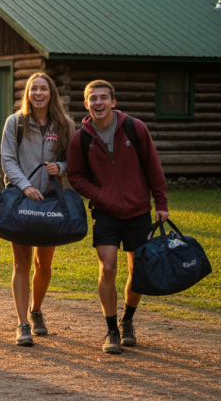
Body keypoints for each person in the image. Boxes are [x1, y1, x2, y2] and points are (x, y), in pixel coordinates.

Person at [66, 80, 168, 355]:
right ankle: (111, 329)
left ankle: (127, 322)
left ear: (113, 102)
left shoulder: (135, 128)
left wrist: (161, 203)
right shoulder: (81, 138)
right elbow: (74, 175)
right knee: (108, 268)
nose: (98, 102)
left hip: (138, 212)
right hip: (105, 213)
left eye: (103, 97)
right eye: (92, 98)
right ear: (86, 104)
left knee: (138, 273)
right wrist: (99, 195)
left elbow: (153, 166)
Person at [0, 73, 74, 346]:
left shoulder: (65, 124)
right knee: (22, 263)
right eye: (34, 89)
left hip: (52, 200)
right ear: (28, 94)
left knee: (44, 263)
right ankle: (22, 324)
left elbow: (72, 160)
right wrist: (25, 186)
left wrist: (62, 168)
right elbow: (7, 160)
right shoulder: (15, 122)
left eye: (44, 89)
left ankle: (36, 311)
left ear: (51, 93)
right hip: (21, 200)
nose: (39, 93)